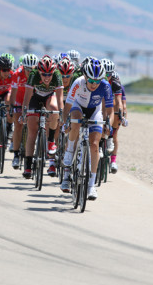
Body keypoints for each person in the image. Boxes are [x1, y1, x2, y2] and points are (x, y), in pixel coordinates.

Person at [60, 58, 113, 201]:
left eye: (97, 81)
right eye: (91, 81)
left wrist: (108, 124)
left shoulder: (106, 86)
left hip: (94, 110)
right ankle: (70, 150)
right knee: (75, 123)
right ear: (85, 77)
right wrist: (65, 122)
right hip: (78, 106)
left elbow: (109, 109)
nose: (94, 84)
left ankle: (91, 186)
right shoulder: (78, 83)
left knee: (94, 144)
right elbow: (67, 106)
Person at [21, 55, 64, 178]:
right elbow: (27, 96)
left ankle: (50, 140)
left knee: (54, 109)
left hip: (49, 97)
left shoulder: (57, 75)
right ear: (39, 72)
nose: (47, 77)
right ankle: (28, 166)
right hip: (35, 98)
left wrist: (61, 114)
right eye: (44, 74)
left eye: (49, 74)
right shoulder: (33, 74)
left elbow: (60, 99)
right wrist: (25, 112)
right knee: (32, 132)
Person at [9, 53, 38, 169]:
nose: (29, 71)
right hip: (19, 100)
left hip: (32, 101)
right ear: (23, 67)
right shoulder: (17, 74)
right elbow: (13, 92)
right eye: (27, 69)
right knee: (18, 125)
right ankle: (16, 155)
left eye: (32, 69)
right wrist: (12, 107)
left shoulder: (38, 75)